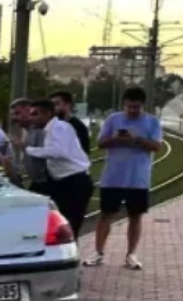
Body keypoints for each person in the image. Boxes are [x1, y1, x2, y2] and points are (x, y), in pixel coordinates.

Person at [86, 87, 163, 270]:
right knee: (106, 215)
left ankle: (131, 255)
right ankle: (98, 252)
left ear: (142, 105)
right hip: (112, 177)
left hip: (138, 178)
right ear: (124, 104)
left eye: (135, 107)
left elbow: (156, 146)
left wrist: (136, 139)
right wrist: (115, 139)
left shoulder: (152, 122)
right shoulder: (113, 119)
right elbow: (100, 143)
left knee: (135, 216)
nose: (131, 111)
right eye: (128, 107)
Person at [14, 99, 93, 237]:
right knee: (61, 223)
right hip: (63, 182)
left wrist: (28, 149)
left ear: (47, 114)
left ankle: (71, 255)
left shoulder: (59, 128)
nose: (32, 118)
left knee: (70, 224)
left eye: (35, 114)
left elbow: (58, 152)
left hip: (75, 181)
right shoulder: (49, 130)